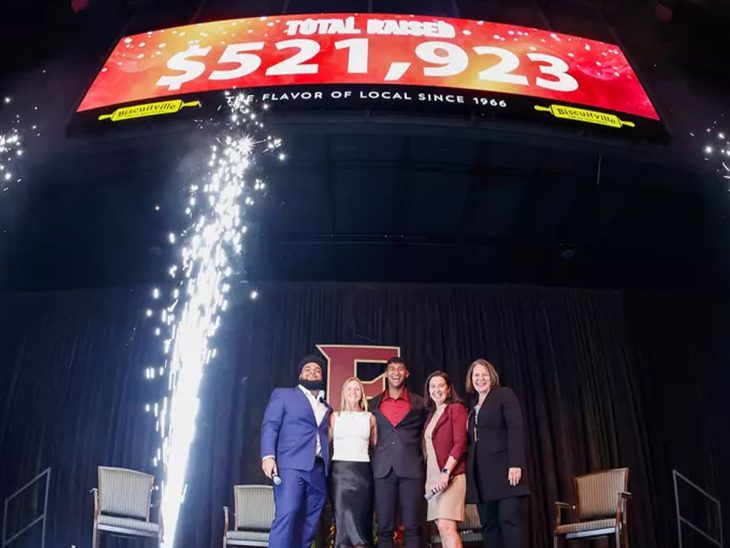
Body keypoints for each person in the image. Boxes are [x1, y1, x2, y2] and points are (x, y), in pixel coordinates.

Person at [260, 355, 332, 548]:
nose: (312, 372)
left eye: (317, 370)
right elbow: (270, 425)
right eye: (307, 369)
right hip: (290, 466)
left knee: (309, 523)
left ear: (322, 376)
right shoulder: (284, 395)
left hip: (318, 471)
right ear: (300, 374)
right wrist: (268, 456)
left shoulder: (327, 406)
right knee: (288, 514)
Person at [465, 359, 529, 548]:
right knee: (489, 526)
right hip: (482, 476)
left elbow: (515, 428)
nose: (480, 379)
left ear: (492, 377)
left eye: (484, 374)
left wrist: (515, 463)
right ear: (471, 379)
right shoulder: (473, 404)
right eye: (476, 375)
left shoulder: (503, 395)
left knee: (510, 522)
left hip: (505, 472)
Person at [369, 357, 427, 548]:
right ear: (386, 374)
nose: (396, 372)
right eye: (391, 369)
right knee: (384, 527)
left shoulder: (421, 403)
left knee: (413, 526)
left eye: (400, 369)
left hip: (411, 470)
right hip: (382, 470)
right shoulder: (373, 403)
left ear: (406, 373)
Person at [329, 377, 378, 547]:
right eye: (349, 389)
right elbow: (322, 443)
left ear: (362, 394)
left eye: (357, 389)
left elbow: (375, 445)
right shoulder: (334, 417)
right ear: (344, 393)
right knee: (342, 526)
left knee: (362, 525)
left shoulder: (370, 418)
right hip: (339, 475)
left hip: (362, 475)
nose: (353, 392)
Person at [423, 371, 468, 548]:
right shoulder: (432, 415)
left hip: (451, 476)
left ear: (448, 389)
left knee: (447, 527)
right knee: (442, 529)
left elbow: (460, 444)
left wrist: (446, 472)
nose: (436, 390)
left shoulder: (456, 408)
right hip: (433, 479)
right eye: (432, 386)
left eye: (440, 385)